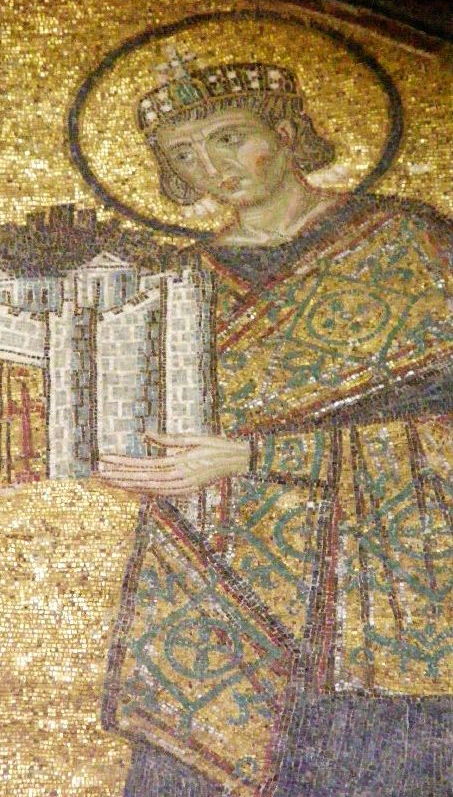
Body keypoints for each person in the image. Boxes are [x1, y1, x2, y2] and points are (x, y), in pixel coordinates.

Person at [97, 60, 453, 796]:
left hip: (381, 583)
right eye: (184, 154)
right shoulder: (181, 279)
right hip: (213, 574)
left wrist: (251, 456)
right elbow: (131, 416)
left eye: (229, 138)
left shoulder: (405, 244)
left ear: (287, 131)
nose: (211, 168)